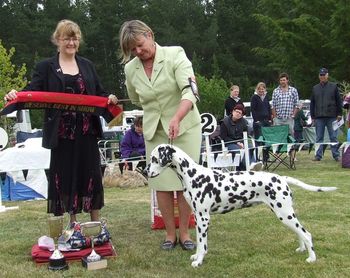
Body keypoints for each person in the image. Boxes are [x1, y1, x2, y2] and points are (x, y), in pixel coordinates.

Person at [4, 19, 118, 223]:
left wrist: (110, 98)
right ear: (58, 40)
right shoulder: (46, 67)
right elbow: (33, 90)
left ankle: (95, 224)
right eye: (67, 38)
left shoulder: (87, 65)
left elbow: (99, 92)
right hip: (62, 134)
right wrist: (16, 95)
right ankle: (73, 225)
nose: (71, 43)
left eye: (74, 38)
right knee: (66, 177)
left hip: (87, 132)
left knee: (91, 175)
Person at [119, 20, 201, 251]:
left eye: (139, 45)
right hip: (154, 131)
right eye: (132, 49)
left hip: (184, 126)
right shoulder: (130, 69)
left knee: (185, 182)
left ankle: (185, 232)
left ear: (150, 34)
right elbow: (135, 98)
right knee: (162, 183)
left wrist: (176, 117)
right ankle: (169, 233)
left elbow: (190, 91)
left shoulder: (175, 54)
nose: (137, 52)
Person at [310, 68, 342, 162]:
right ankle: (318, 155)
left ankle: (336, 155)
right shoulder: (315, 88)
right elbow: (312, 103)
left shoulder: (333, 87)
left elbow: (338, 101)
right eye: (321, 75)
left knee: (333, 137)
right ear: (319, 76)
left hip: (332, 116)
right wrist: (312, 116)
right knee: (319, 137)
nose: (322, 76)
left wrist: (339, 113)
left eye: (324, 75)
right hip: (319, 117)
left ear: (327, 75)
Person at [220, 104, 262, 171]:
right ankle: (247, 167)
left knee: (251, 147)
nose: (238, 114)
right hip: (229, 143)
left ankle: (253, 164)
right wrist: (236, 143)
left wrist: (242, 142)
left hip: (242, 142)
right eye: (237, 111)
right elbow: (223, 137)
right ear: (233, 111)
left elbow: (246, 135)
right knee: (238, 150)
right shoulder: (224, 122)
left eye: (240, 113)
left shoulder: (244, 122)